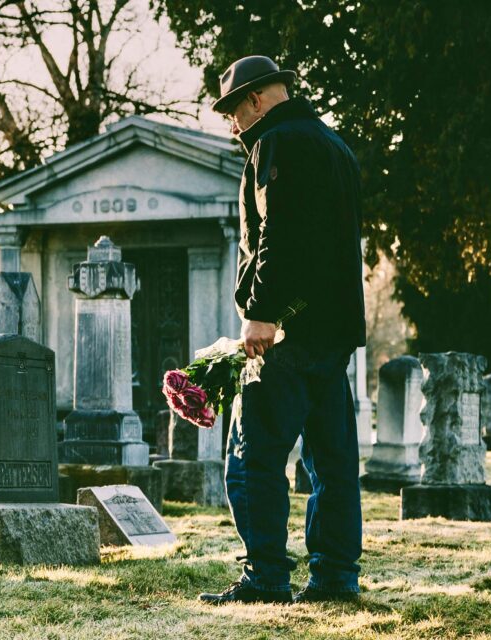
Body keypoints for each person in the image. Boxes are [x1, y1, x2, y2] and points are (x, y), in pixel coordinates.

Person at [199, 55, 368, 605]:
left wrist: (262, 314)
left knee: (252, 457)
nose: (232, 125)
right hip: (333, 331)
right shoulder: (335, 147)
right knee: (332, 461)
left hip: (286, 330)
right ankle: (335, 576)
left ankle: (267, 575)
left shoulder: (278, 144)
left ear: (254, 100)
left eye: (232, 111)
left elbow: (280, 234)